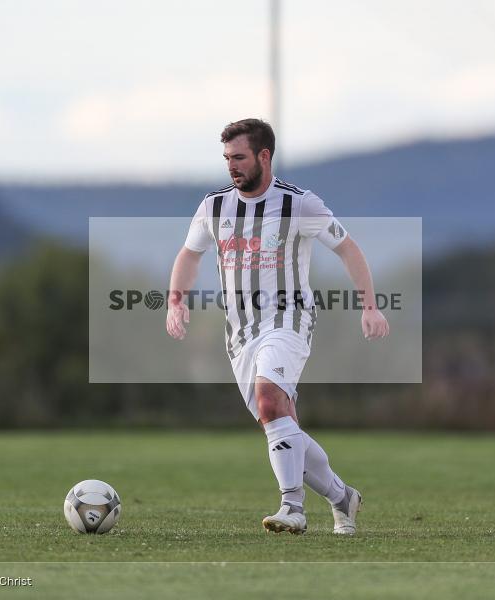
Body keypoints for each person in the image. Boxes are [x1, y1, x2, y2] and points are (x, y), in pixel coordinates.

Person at [166, 118, 389, 535]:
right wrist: (176, 300)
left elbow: (348, 248)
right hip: (240, 334)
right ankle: (343, 498)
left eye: (240, 157)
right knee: (281, 424)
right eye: (227, 158)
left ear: (264, 156)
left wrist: (370, 306)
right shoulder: (214, 206)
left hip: (289, 319)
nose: (231, 166)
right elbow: (189, 254)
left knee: (271, 403)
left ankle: (293, 508)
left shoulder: (299, 204)